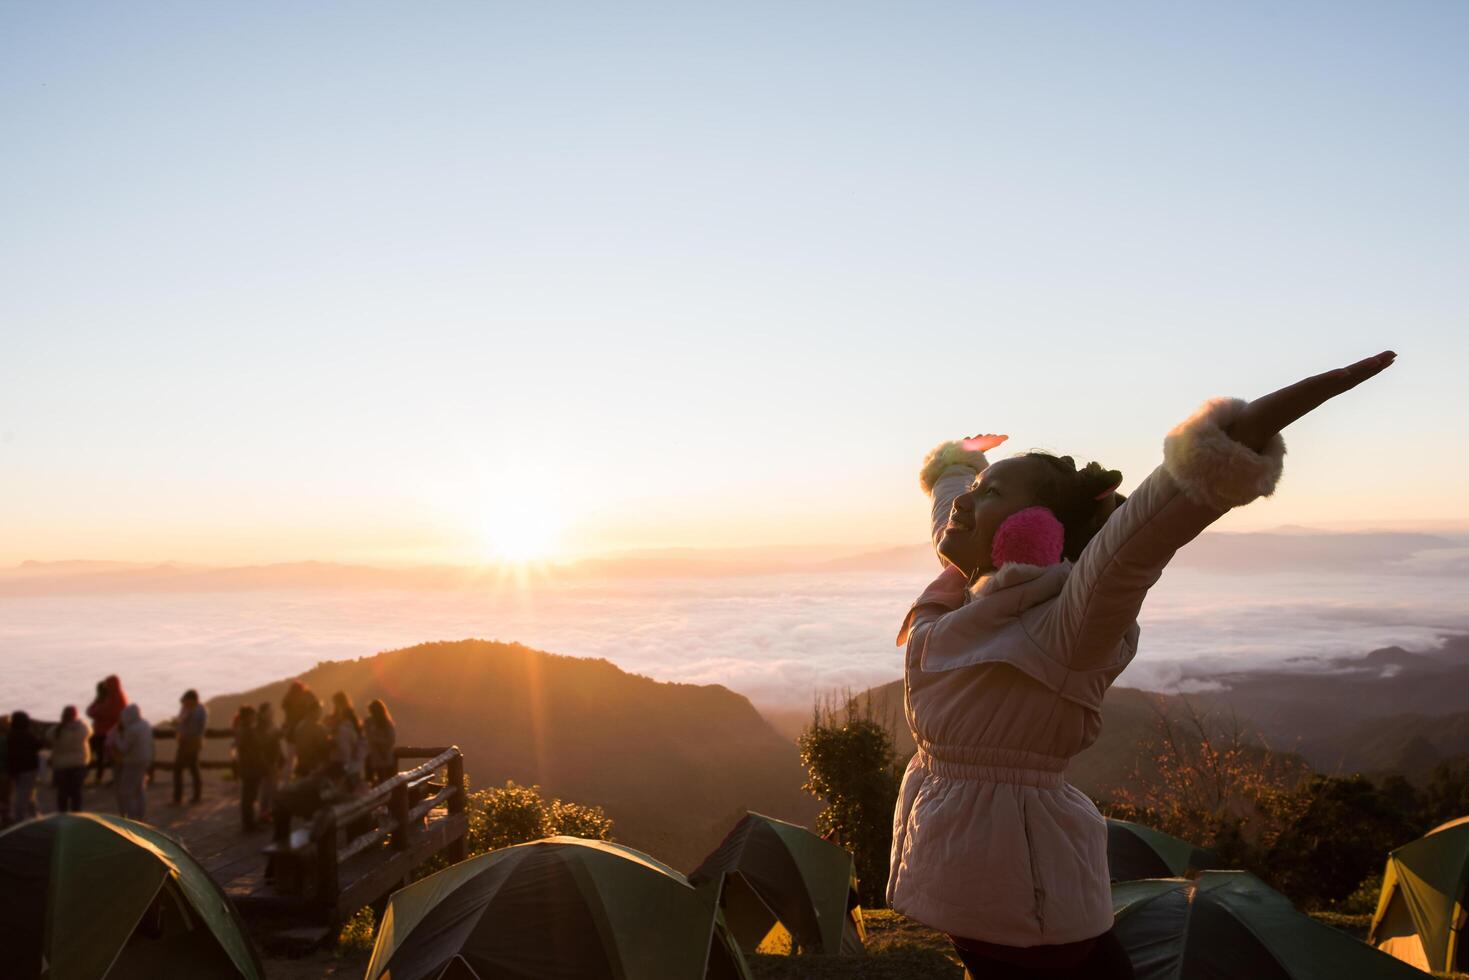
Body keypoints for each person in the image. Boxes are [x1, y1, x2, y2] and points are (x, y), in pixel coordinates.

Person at [889, 352, 1396, 979]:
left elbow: (1143, 533)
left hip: (1029, 893)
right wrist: (960, 467)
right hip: (972, 875)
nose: (964, 504)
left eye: (989, 495)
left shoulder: (1068, 624)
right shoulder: (967, 595)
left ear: (1033, 531)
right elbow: (950, 511)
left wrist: (1238, 438)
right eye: (971, 493)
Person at [108, 703, 153, 820]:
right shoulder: (145, 724)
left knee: (126, 791)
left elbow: (123, 748)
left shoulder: (132, 729)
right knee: (139, 789)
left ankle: (131, 817)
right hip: (145, 759)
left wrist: (117, 736)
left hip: (133, 761)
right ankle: (140, 815)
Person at [47, 706, 91, 813]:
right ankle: (76, 815)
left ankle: (62, 816)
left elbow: (48, 736)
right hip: (79, 764)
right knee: (76, 793)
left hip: (61, 765)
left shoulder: (57, 730)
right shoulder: (82, 728)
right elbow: (90, 732)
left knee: (63, 794)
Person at [85, 675, 127, 786]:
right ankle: (107, 778)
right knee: (103, 756)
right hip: (106, 731)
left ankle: (101, 778)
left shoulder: (114, 699)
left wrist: (97, 702)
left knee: (101, 756)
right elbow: (91, 711)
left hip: (106, 733)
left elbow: (93, 712)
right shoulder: (115, 697)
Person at [232, 705, 265, 831]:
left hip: (245, 767)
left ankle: (248, 822)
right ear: (248, 717)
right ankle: (249, 824)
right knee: (250, 796)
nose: (255, 717)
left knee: (248, 795)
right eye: (253, 715)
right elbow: (254, 751)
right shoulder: (248, 731)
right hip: (251, 767)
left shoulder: (241, 730)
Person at [6, 712, 43, 822]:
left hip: (16, 768)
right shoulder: (28, 735)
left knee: (26, 792)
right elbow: (40, 745)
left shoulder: (10, 735)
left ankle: (34, 814)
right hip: (29, 768)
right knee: (24, 793)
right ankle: (20, 817)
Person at [172, 689, 207, 805]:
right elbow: (180, 722)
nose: (185, 704)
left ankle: (182, 798)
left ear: (192, 700)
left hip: (192, 742)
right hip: (184, 741)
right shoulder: (187, 708)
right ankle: (190, 796)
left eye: (187, 701)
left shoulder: (199, 710)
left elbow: (199, 728)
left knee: (186, 769)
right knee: (189, 769)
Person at [327, 692, 364, 787]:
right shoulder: (343, 714)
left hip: (348, 750)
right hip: (340, 750)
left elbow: (357, 733)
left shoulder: (348, 715)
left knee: (348, 774)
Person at [290, 696, 330, 778]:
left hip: (301, 766)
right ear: (314, 711)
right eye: (320, 711)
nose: (321, 713)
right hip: (314, 767)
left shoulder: (299, 725)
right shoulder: (317, 727)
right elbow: (323, 747)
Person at [256, 702, 282, 823]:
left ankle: (270, 812)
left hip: (273, 759)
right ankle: (264, 813)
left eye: (272, 711)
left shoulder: (271, 724)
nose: (271, 713)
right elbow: (262, 743)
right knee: (267, 789)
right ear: (262, 713)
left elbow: (276, 741)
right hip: (266, 761)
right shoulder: (260, 726)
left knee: (272, 788)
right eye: (269, 711)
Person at [364, 699, 397, 784]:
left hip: (383, 756)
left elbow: (391, 740)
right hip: (372, 755)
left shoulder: (386, 723)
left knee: (383, 778)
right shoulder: (368, 722)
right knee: (370, 779)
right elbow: (366, 736)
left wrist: (378, 741)